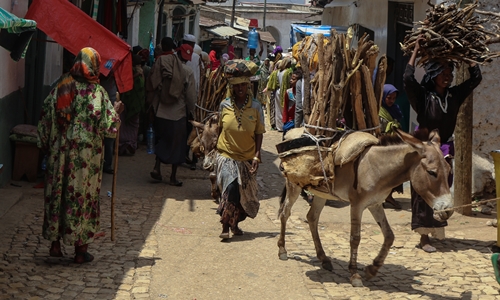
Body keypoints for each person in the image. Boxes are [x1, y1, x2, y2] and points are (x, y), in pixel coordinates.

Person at [37, 47, 124, 263]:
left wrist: (47, 145)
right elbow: (109, 127)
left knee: (58, 195)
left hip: (60, 155)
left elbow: (45, 119)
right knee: (82, 199)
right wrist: (117, 110)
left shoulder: (60, 86)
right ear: (94, 65)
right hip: (86, 162)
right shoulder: (98, 93)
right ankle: (80, 250)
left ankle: (55, 245)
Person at [404, 36, 482, 253]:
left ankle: (436, 229)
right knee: (423, 190)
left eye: (450, 74)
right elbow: (408, 79)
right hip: (425, 149)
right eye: (443, 73)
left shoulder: (454, 95)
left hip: (445, 148)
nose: (448, 77)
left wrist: (467, 56)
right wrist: (416, 50)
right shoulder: (423, 97)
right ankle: (424, 237)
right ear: (433, 75)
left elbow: (476, 78)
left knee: (442, 189)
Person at [215, 59, 265, 239]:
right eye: (236, 86)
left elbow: (259, 132)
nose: (240, 89)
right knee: (232, 187)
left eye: (243, 85)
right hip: (227, 154)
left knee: (244, 197)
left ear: (248, 86)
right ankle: (225, 227)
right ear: (232, 88)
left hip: (247, 156)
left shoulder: (256, 107)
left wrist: (257, 155)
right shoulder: (224, 105)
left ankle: (234, 224)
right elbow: (220, 129)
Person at [147, 40, 196, 186]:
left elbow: (152, 81)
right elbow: (191, 97)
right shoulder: (188, 72)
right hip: (178, 115)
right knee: (178, 146)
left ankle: (157, 168)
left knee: (161, 140)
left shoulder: (162, 61)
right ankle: (173, 177)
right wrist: (191, 111)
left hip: (160, 112)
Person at [379, 84, 404, 209]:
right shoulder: (378, 110)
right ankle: (383, 196)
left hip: (394, 144)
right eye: (389, 97)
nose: (391, 101)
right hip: (383, 145)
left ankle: (389, 195)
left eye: (394, 98)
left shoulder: (396, 109)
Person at [118, 54, 145, 156]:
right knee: (131, 125)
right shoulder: (134, 72)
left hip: (130, 102)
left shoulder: (134, 72)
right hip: (132, 103)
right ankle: (128, 145)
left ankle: (125, 145)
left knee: (126, 124)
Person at [282, 69, 302, 136]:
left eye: (293, 79)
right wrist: (285, 121)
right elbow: (285, 107)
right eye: (291, 78)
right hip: (290, 121)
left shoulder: (303, 94)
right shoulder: (289, 92)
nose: (291, 80)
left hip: (300, 121)